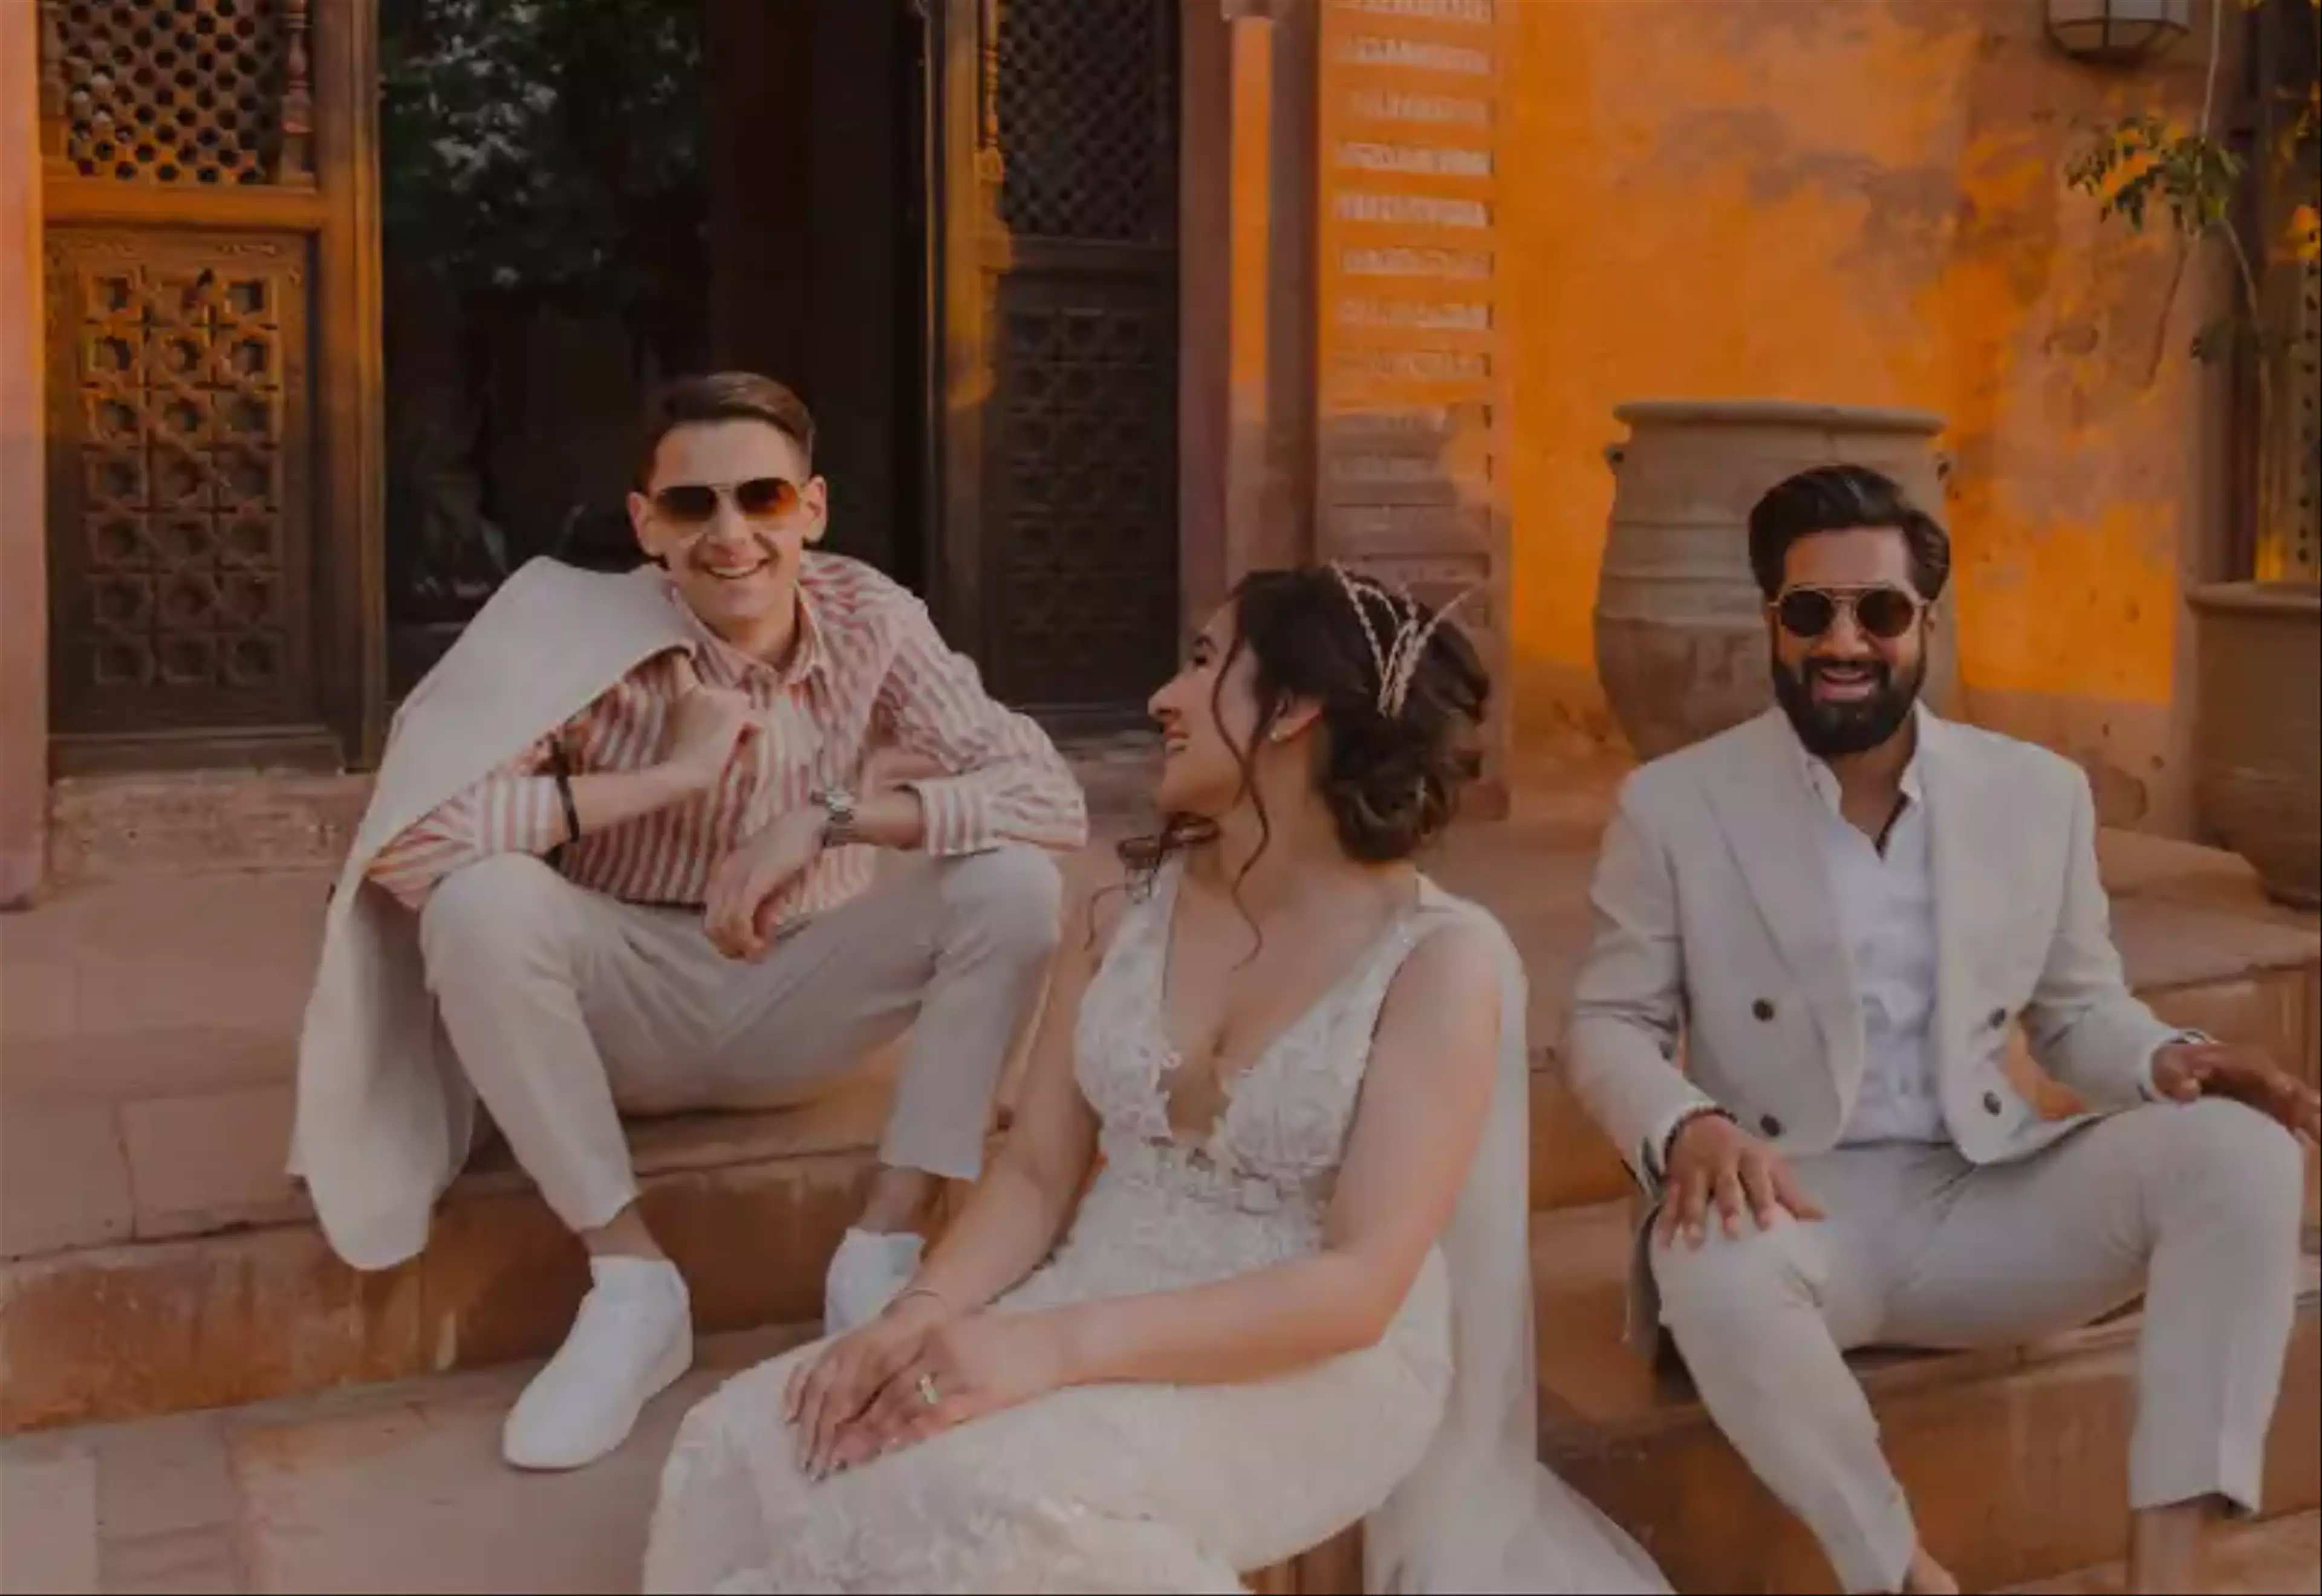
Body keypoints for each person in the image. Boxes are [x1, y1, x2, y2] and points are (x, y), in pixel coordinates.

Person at [642, 565, 1673, 1594]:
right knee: (751, 1444)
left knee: (996, 1508)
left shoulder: (1441, 961)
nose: (1162, 700)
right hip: (1090, 1288)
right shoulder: (1123, 912)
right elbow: (1040, 1172)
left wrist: (1043, 1351)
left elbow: (1356, 1286)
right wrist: (922, 1312)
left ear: (1297, 709)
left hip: (1306, 1360)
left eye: (1204, 663)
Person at [290, 372, 1087, 1474]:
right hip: (621, 1009)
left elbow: (1050, 798)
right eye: (691, 506)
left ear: (811, 510)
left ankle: (884, 1251)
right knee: (480, 897)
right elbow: (409, 843)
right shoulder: (570, 631)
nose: (730, 536)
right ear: (644, 526)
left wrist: (831, 816)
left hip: (802, 991)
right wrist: (666, 778)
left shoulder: (872, 618)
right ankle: (630, 1284)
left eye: (761, 499)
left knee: (1012, 884)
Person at [1564, 464, 2321, 1596]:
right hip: (1793, 1200)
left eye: (1879, 611)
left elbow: (2075, 1015)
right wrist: (1687, 1127)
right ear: (1772, 619)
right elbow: (1607, 1024)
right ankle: (1905, 1575)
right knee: (1708, 1266)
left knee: (2246, 1153)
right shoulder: (1676, 806)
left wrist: (2168, 1058)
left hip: (1989, 1194)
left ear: (1925, 620)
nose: (1844, 642)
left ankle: (2168, 1571)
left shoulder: (2037, 793)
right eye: (1810, 611)